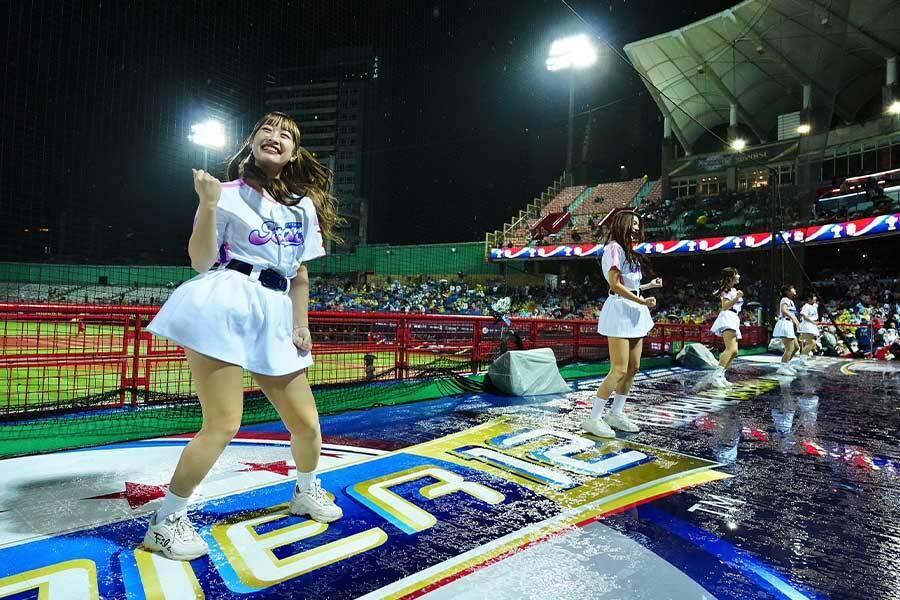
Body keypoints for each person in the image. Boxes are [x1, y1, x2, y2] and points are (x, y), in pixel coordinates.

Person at [142, 112, 344, 561]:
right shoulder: (225, 193)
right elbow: (200, 261)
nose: (276, 137)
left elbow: (301, 274)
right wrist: (209, 205)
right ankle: (166, 519)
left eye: (287, 134)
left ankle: (307, 490)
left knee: (308, 424)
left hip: (275, 311)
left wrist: (301, 322)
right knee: (224, 422)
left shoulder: (302, 205)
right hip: (227, 300)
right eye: (268, 130)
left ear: (295, 152)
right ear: (252, 141)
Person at [582, 210, 661, 438]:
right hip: (620, 311)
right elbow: (616, 285)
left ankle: (615, 413)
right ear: (623, 224)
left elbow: (631, 284)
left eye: (638, 224)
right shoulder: (613, 249)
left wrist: (647, 288)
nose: (636, 228)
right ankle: (593, 418)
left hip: (635, 310)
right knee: (618, 369)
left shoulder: (629, 252)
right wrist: (642, 300)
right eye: (633, 223)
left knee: (633, 367)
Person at [705, 267, 743, 388]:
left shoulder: (732, 289)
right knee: (730, 349)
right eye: (737, 274)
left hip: (733, 318)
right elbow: (725, 306)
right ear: (731, 277)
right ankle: (716, 376)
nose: (739, 276)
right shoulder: (726, 290)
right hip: (728, 317)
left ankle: (721, 375)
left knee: (735, 351)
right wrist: (737, 298)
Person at [772, 284, 802, 375]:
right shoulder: (784, 299)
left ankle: (787, 365)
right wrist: (794, 319)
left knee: (796, 347)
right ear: (787, 292)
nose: (795, 290)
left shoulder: (791, 301)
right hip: (785, 323)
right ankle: (782, 367)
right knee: (789, 348)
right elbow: (784, 310)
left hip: (789, 325)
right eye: (792, 288)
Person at [798, 292, 820, 360]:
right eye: (814, 298)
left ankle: (803, 358)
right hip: (807, 325)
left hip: (812, 325)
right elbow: (804, 317)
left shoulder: (815, 305)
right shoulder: (806, 306)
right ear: (809, 299)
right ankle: (802, 358)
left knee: (811, 343)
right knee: (811, 343)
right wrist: (813, 322)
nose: (815, 299)